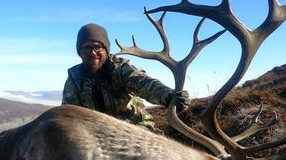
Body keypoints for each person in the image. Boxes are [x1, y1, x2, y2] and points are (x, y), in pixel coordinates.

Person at [62, 23, 190, 131]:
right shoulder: (75, 78)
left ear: (106, 50)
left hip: (136, 130)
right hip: (97, 136)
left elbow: (145, 84)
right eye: (86, 48)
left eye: (97, 47)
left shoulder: (121, 69)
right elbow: (68, 113)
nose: (92, 52)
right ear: (80, 52)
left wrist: (169, 96)